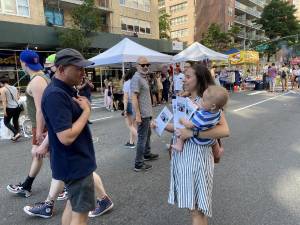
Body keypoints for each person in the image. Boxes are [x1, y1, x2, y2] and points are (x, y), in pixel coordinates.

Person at [38, 48, 112, 225]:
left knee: (73, 206)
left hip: (72, 162)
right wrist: (86, 112)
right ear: (61, 69)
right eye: (78, 68)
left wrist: (44, 143)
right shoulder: (57, 94)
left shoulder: (64, 90)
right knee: (81, 213)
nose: (83, 72)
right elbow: (66, 136)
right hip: (74, 163)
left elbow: (58, 129)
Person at [153, 64, 230, 225]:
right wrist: (161, 125)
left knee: (196, 210)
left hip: (197, 158)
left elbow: (224, 130)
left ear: (199, 79)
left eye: (188, 77)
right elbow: (180, 128)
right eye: (183, 76)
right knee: (194, 208)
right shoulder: (186, 99)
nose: (183, 80)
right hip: (184, 158)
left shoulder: (208, 103)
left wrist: (193, 133)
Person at [7, 50, 50, 198]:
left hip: (42, 125)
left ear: (23, 63)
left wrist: (38, 132)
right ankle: (27, 185)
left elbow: (41, 110)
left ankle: (67, 185)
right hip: (39, 125)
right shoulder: (39, 77)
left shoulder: (37, 81)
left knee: (52, 156)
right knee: (37, 154)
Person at [171, 86, 229, 164]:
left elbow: (189, 125)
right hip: (210, 139)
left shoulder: (202, 115)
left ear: (213, 106)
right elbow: (205, 110)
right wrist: (198, 106)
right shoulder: (217, 112)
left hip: (198, 140)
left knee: (180, 131)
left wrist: (182, 120)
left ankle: (179, 145)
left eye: (204, 100)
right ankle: (217, 153)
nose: (201, 100)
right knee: (215, 143)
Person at [131, 56, 159, 172]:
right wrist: (138, 115)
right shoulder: (136, 78)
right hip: (142, 114)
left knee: (147, 134)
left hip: (146, 112)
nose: (146, 67)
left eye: (148, 64)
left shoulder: (143, 77)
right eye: (143, 65)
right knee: (142, 138)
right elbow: (134, 98)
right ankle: (138, 163)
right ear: (137, 66)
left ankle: (146, 154)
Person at [0, 75, 21, 141]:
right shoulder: (14, 87)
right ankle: (16, 136)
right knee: (15, 121)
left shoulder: (2, 89)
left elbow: (4, 101)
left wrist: (4, 111)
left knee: (6, 122)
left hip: (10, 108)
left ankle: (16, 133)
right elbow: (18, 97)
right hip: (17, 107)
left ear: (1, 83)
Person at [123, 67, 137, 149]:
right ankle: (131, 142)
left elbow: (125, 97)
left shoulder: (127, 83)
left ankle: (142, 140)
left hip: (129, 104)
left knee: (129, 125)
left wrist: (124, 110)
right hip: (137, 104)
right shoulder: (137, 82)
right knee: (133, 125)